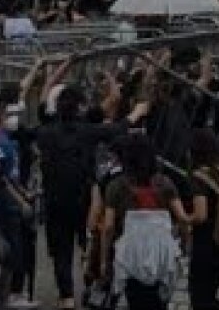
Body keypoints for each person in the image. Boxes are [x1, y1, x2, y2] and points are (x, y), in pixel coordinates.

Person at [36, 80, 149, 310]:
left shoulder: (45, 133)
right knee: (87, 244)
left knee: (61, 250)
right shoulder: (87, 131)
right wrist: (136, 113)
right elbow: (117, 129)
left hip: (54, 200)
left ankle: (66, 297)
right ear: (79, 107)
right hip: (83, 199)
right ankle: (90, 286)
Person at [100, 136, 190, 310]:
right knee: (159, 300)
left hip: (131, 254)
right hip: (160, 254)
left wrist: (104, 260)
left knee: (135, 299)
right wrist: (185, 245)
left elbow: (109, 226)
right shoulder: (165, 183)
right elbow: (182, 218)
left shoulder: (116, 186)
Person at [187, 129, 219, 310]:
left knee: (200, 298)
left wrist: (184, 219)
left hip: (207, 244)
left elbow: (201, 215)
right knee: (209, 294)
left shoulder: (199, 178)